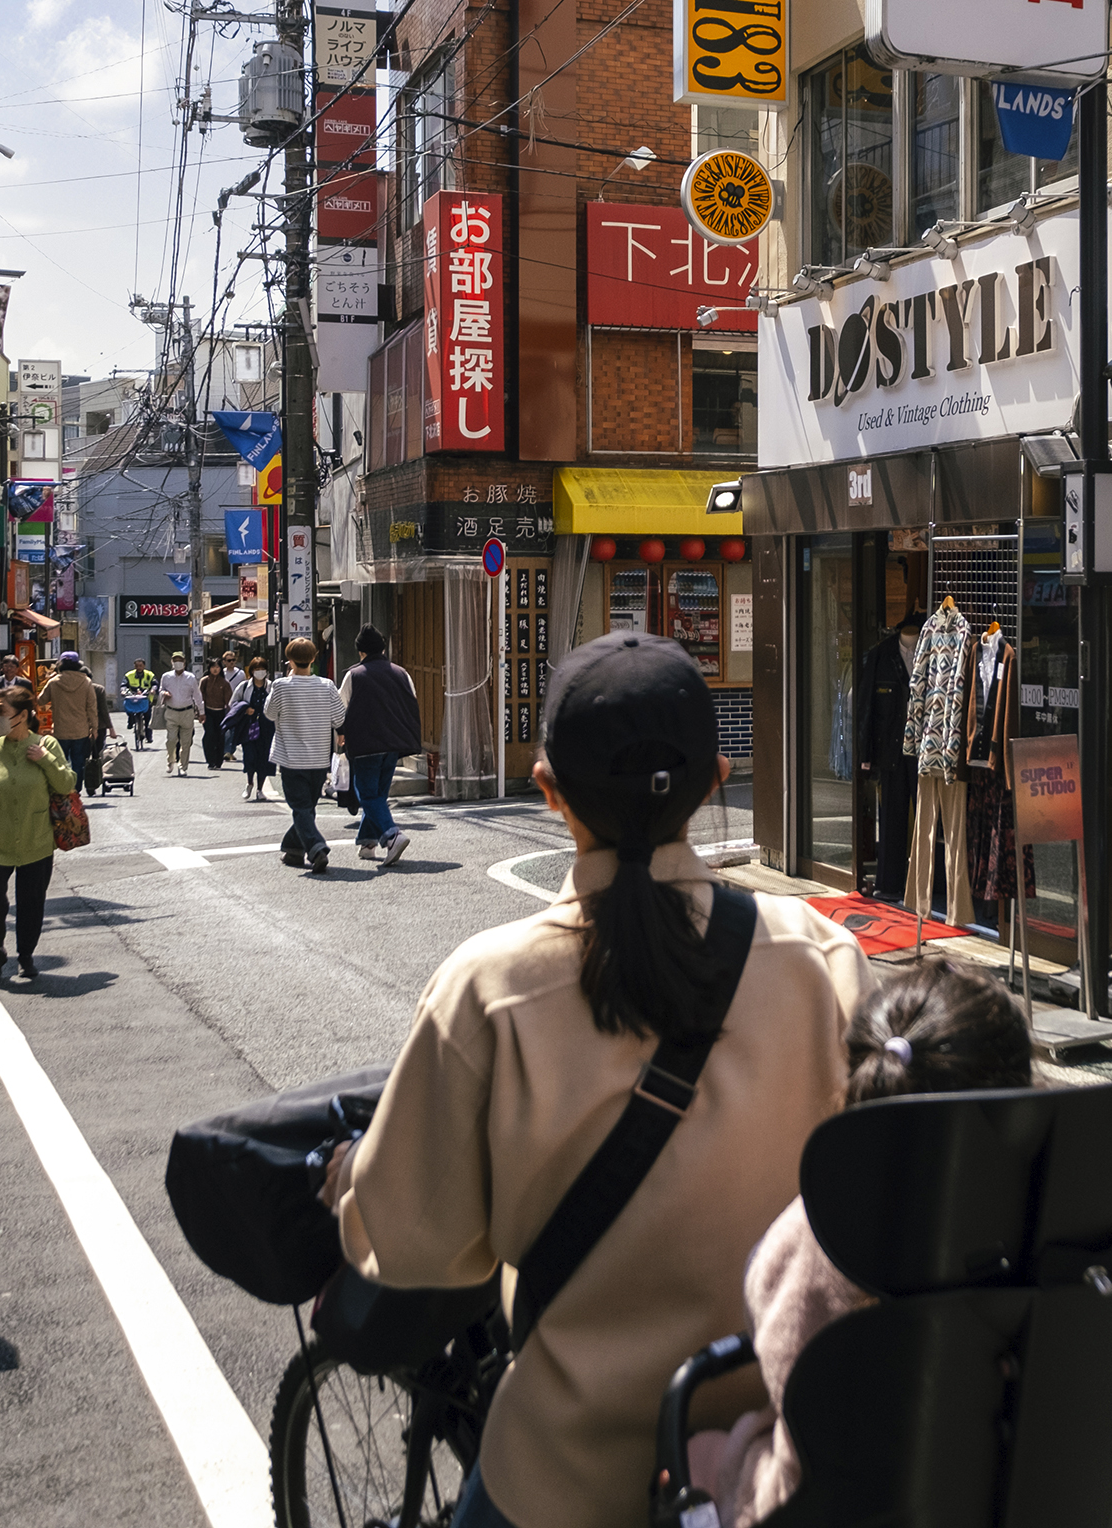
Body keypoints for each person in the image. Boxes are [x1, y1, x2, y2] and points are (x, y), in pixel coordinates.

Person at [320, 633, 866, 1528]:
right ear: (716, 779)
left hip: (565, 1475)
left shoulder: (490, 986)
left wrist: (348, 1181)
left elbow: (417, 1242)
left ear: (549, 793)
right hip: (773, 1460)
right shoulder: (819, 957)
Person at [692, 959, 1031, 1525]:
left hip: (819, 1505)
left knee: (697, 1453)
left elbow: (779, 1355)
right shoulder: (1048, 1215)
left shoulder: (819, 1234)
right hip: (1001, 1494)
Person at [0, 687, 78, 984]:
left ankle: (26, 954)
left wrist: (45, 759)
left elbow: (67, 784)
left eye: (2, 712)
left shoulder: (45, 744)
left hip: (36, 839)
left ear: (23, 716)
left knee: (32, 901)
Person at [335, 628, 422, 865]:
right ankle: (368, 842)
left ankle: (392, 836)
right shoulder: (401, 673)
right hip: (393, 743)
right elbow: (412, 702)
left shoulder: (354, 675)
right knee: (378, 795)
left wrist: (340, 735)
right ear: (383, 649)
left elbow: (339, 708)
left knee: (366, 793)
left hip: (365, 744)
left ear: (361, 652)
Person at [270, 639, 343, 869]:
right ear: (314, 658)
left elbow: (270, 713)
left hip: (291, 759)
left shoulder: (281, 686)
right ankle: (293, 850)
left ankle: (316, 848)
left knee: (301, 808)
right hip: (319, 759)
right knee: (307, 808)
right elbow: (340, 718)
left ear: (289, 660)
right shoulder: (327, 685)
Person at [43, 651, 107, 797]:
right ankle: (75, 791)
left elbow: (41, 700)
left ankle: (62, 789)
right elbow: (92, 707)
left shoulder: (54, 681)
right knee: (78, 762)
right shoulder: (86, 682)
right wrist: (94, 728)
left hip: (60, 729)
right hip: (81, 730)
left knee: (61, 761)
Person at [231, 656, 277, 802]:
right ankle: (249, 782)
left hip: (267, 725)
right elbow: (233, 703)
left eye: (262, 669)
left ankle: (260, 789)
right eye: (257, 669)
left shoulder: (272, 686)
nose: (260, 672)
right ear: (251, 671)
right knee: (250, 756)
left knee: (264, 758)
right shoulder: (244, 686)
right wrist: (245, 710)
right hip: (249, 725)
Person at [157, 653, 203, 774]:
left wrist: (201, 712)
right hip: (171, 712)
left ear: (184, 662)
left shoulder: (190, 677)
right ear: (172, 662)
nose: (178, 663)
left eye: (180, 660)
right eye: (175, 660)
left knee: (186, 742)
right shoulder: (166, 677)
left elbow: (197, 695)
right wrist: (164, 694)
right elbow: (161, 690)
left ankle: (183, 766)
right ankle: (170, 760)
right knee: (171, 740)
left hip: (187, 712)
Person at [199, 651, 235, 772]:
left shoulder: (225, 683)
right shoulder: (204, 681)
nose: (215, 669)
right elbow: (200, 697)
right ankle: (210, 761)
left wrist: (231, 714)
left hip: (221, 712)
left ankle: (218, 761)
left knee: (220, 736)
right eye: (213, 667)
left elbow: (229, 701)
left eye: (217, 667)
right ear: (209, 668)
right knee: (209, 735)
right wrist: (200, 712)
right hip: (208, 711)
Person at [121, 660, 156, 748]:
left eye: (140, 665)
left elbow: (155, 684)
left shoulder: (149, 675)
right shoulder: (129, 675)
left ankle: (148, 735)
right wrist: (123, 691)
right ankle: (131, 719)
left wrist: (153, 690)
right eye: (137, 666)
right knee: (128, 707)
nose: (139, 667)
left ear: (144, 666)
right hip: (133, 698)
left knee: (147, 717)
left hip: (145, 699)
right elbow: (124, 685)